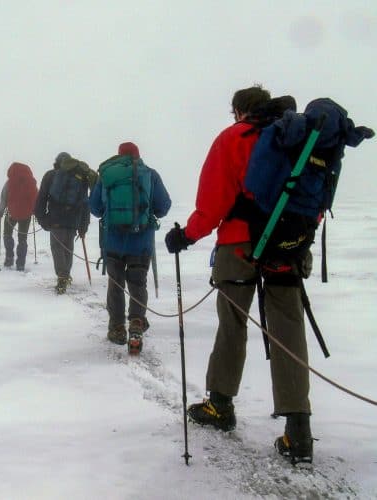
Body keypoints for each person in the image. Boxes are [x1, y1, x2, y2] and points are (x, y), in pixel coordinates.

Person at [164, 85, 314, 464]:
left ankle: (220, 405)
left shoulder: (232, 139)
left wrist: (186, 235)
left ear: (239, 111)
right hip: (287, 246)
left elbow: (213, 201)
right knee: (288, 327)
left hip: (239, 247)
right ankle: (299, 430)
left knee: (232, 322)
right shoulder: (297, 140)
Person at [89, 142, 171, 353]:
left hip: (113, 242)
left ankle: (117, 327)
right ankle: (136, 322)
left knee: (115, 284)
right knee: (137, 283)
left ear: (118, 156)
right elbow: (163, 207)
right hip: (141, 241)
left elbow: (95, 208)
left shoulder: (107, 175)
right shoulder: (150, 174)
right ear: (137, 155)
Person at [34, 152, 94, 294]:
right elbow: (85, 203)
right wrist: (83, 226)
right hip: (74, 219)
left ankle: (62, 276)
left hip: (56, 218)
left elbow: (41, 198)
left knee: (57, 247)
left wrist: (42, 218)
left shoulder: (50, 175)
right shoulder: (80, 177)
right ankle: (65, 274)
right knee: (68, 247)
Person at [0, 162, 38, 271]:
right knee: (22, 238)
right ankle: (21, 263)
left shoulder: (9, 183)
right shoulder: (31, 182)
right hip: (26, 215)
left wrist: (0, 211)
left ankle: (9, 258)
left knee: (7, 234)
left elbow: (4, 198)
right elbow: (35, 198)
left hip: (11, 214)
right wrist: (36, 211)